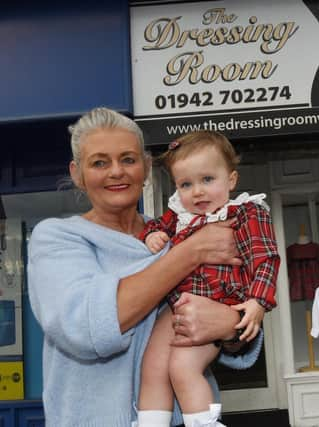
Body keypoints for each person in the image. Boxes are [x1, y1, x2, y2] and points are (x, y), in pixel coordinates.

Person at [26, 107, 262, 427]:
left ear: (146, 168)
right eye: (99, 162)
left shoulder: (177, 233)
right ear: (77, 173)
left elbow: (234, 310)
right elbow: (87, 326)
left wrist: (229, 326)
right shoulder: (56, 238)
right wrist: (189, 253)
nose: (116, 172)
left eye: (128, 159)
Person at [137, 131, 280, 426]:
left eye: (207, 180)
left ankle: (203, 423)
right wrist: (153, 234)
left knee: (182, 367)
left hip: (219, 302)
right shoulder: (179, 216)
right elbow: (152, 226)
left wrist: (258, 302)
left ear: (231, 180)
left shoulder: (245, 213)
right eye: (186, 184)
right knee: (152, 366)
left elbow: (265, 258)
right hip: (179, 304)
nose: (197, 192)